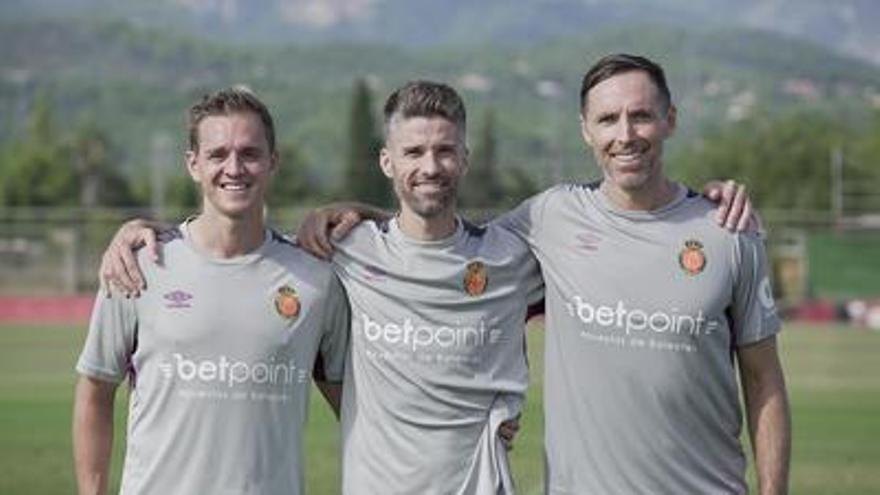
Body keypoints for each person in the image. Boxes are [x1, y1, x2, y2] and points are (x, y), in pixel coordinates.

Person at [99, 79, 757, 493]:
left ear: (465, 159)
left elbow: (621, 230)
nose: (430, 166)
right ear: (388, 162)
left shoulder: (514, 251)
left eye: (444, 151)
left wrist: (702, 204)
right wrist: (152, 231)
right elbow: (230, 245)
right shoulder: (342, 255)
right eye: (413, 153)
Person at [495, 53, 791, 494]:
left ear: (669, 120)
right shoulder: (550, 217)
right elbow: (451, 253)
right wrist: (367, 220)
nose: (625, 135)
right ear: (586, 130)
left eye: (641, 116)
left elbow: (764, 377)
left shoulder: (729, 231)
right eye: (608, 119)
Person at [72, 88, 349, 495]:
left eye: (250, 153)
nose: (234, 168)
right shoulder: (137, 265)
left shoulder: (317, 279)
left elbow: (360, 412)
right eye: (218, 154)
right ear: (194, 165)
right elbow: (95, 392)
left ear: (274, 162)